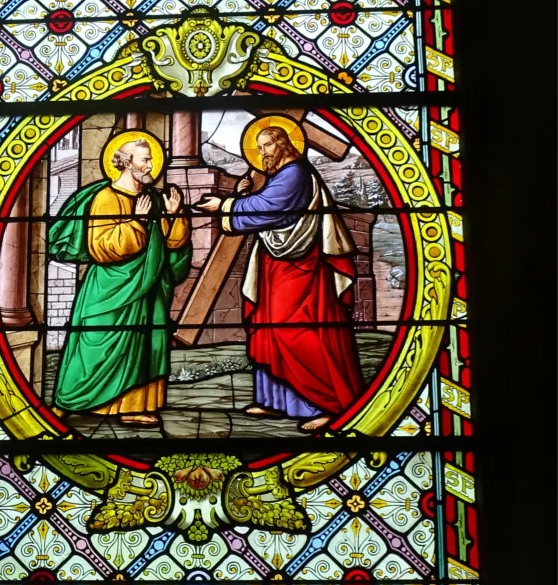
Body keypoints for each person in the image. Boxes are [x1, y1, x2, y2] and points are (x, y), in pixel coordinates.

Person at [196, 125, 363, 431]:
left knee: (299, 332)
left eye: (266, 146)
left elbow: (272, 207)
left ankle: (325, 403)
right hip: (276, 265)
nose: (262, 154)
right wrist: (241, 197)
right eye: (259, 148)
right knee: (268, 328)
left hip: (302, 270)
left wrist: (225, 205)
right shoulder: (279, 177)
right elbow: (265, 212)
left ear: (283, 145)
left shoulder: (295, 173)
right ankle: (276, 401)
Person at [49, 135, 191, 426]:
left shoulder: (153, 199)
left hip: (149, 288)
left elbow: (171, 244)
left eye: (151, 158)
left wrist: (175, 217)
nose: (151, 164)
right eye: (145, 159)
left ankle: (133, 406)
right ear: (127, 163)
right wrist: (136, 222)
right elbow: (101, 247)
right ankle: (71, 399)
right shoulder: (106, 198)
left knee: (145, 345)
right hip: (110, 289)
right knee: (96, 344)